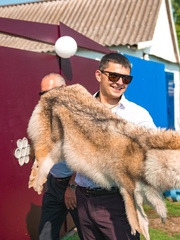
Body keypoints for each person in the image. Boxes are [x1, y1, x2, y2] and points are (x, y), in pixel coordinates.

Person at [75, 53, 156, 240]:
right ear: (98, 75)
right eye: (113, 76)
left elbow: (153, 155)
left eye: (126, 78)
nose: (120, 82)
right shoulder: (79, 109)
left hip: (118, 200)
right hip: (83, 199)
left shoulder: (138, 115)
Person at [38, 73, 82, 240]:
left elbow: (83, 157)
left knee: (89, 234)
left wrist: (71, 187)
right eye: (43, 94)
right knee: (46, 235)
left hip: (77, 187)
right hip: (55, 184)